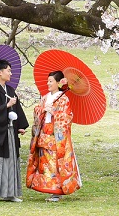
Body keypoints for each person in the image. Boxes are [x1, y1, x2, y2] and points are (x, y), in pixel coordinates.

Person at [25, 70, 82, 202]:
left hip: (56, 137)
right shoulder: (45, 98)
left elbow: (67, 118)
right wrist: (42, 110)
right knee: (45, 163)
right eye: (48, 81)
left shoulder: (63, 99)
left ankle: (57, 191)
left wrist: (55, 113)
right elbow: (37, 111)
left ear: (58, 83)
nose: (48, 83)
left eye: (51, 81)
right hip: (44, 133)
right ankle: (48, 187)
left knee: (56, 163)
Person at [0, 58, 29, 202]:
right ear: (0, 72)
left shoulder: (10, 90)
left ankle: (10, 193)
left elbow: (17, 109)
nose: (10, 73)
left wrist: (20, 125)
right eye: (8, 70)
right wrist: (6, 105)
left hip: (10, 130)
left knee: (12, 160)